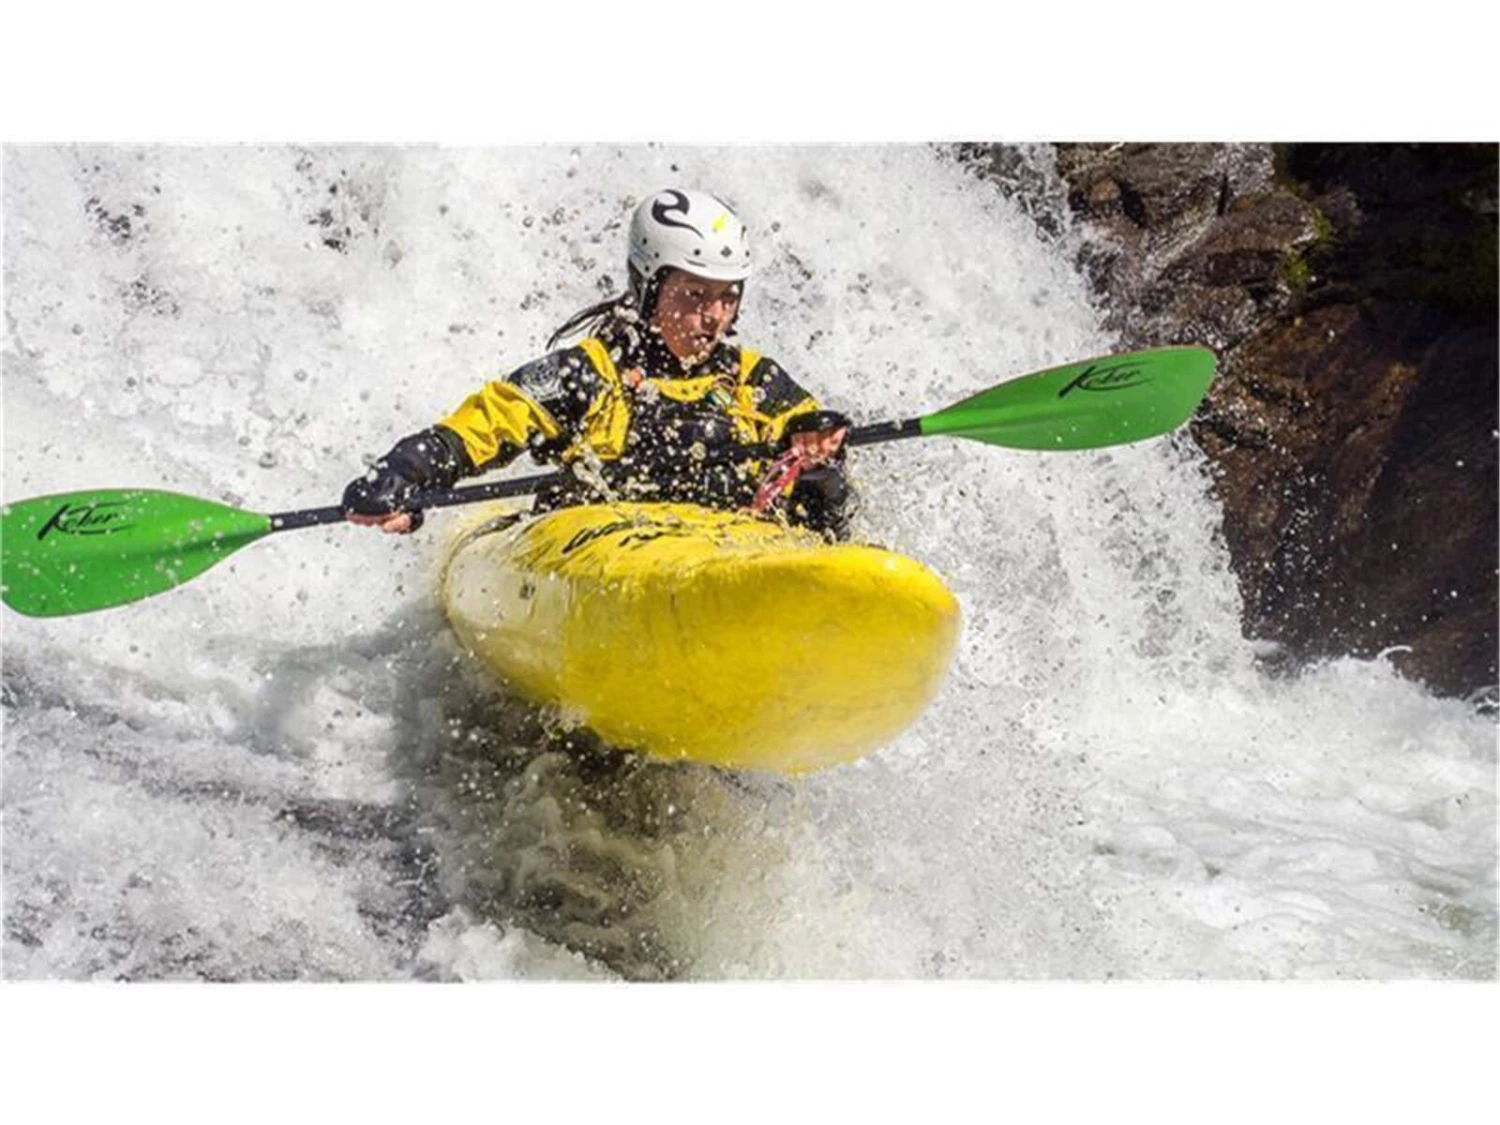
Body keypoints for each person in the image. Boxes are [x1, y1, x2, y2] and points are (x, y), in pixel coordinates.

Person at [342, 188, 855, 538]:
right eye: (695, 294)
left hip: (725, 553)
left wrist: (818, 445)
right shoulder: (588, 375)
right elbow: (490, 422)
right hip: (605, 557)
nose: (713, 316)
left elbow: (805, 428)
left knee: (826, 489)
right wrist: (406, 471)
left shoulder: (754, 381)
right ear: (648, 287)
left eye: (727, 297)